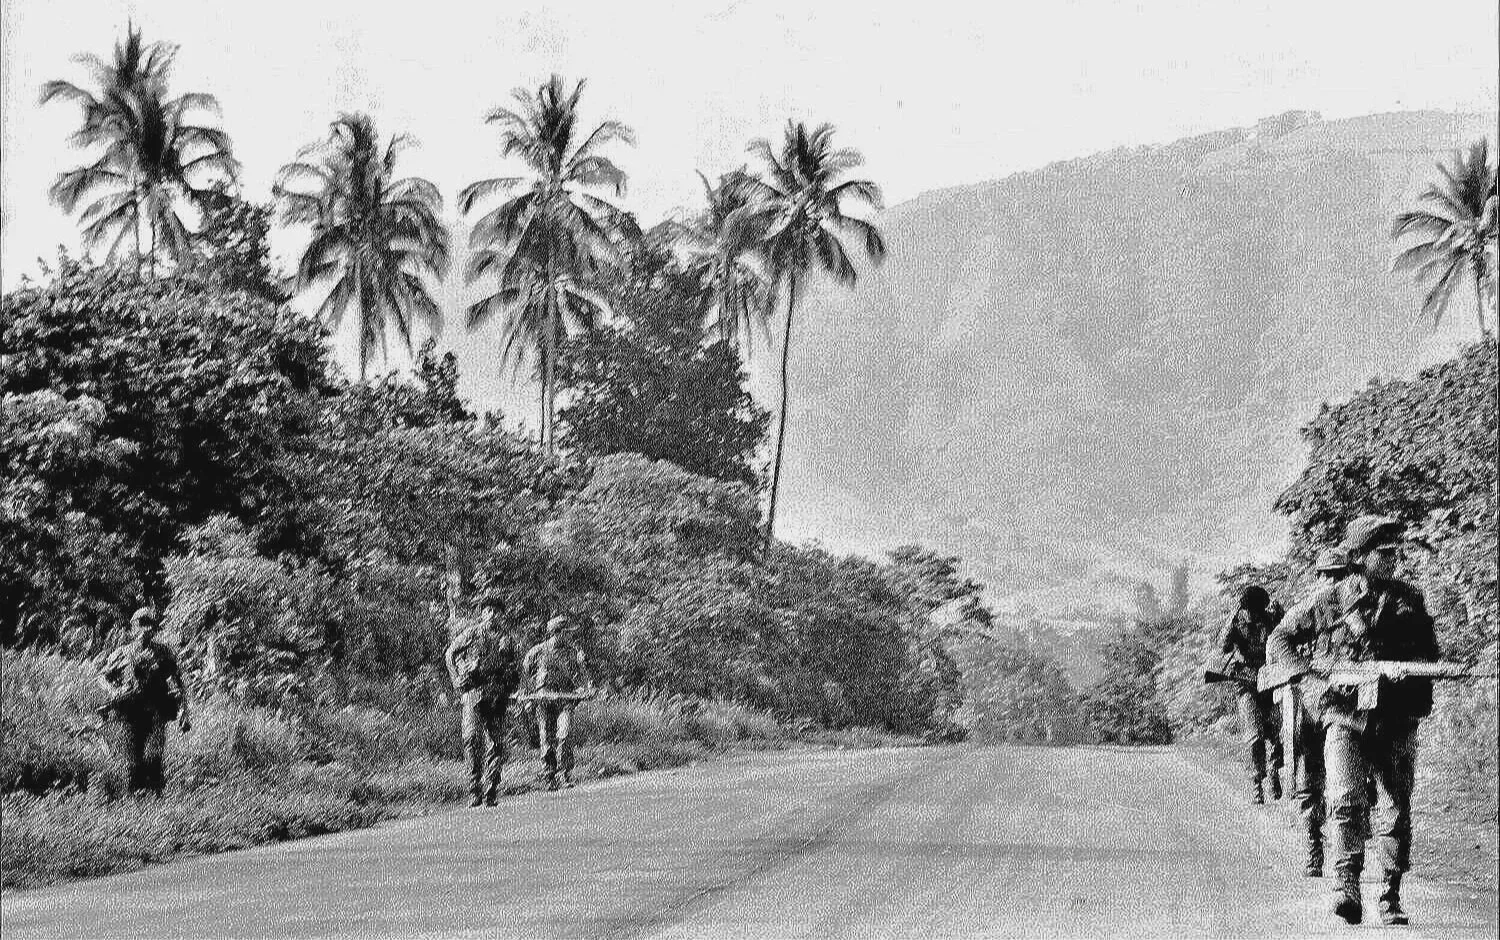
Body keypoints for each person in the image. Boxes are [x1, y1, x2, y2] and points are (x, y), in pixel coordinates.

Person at [1268, 515, 1439, 926]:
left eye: (1395, 552)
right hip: (1344, 715)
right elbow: (1280, 638)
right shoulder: (1329, 600)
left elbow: (1431, 653)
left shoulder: (1410, 599)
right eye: (1384, 553)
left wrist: (1406, 668)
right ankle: (1347, 884)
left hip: (1395, 718)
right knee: (1345, 798)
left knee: (1396, 808)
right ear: (1359, 557)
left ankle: (1391, 894)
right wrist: (1308, 678)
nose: (1393, 558)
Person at [1271, 547, 1351, 878]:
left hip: (1348, 703)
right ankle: (1313, 844)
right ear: (1318, 577)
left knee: (1351, 780)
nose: (1333, 581)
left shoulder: (1361, 604)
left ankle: (1348, 854)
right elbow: (1278, 639)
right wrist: (1303, 671)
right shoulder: (1310, 608)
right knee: (1308, 777)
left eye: (1339, 575)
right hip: (1310, 701)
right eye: (1328, 575)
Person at [96, 607, 191, 797]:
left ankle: (157, 799)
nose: (147, 629)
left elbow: (178, 682)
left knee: (154, 757)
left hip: (156, 710)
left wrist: (184, 712)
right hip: (130, 712)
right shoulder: (123, 653)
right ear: (133, 627)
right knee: (133, 761)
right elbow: (102, 677)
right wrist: (114, 691)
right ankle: (137, 802)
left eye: (150, 625)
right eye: (142, 624)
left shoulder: (163, 652)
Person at [444, 595, 520, 807]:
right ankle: (473, 788)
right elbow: (450, 654)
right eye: (488, 611)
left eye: (496, 611)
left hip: (496, 694)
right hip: (473, 691)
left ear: (501, 615)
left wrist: (513, 686)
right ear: (482, 613)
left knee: (496, 743)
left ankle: (491, 789)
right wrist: (457, 678)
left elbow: (516, 667)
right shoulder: (472, 633)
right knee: (471, 738)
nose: (492, 615)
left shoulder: (507, 639)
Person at [1218, 584, 1284, 804]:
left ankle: (1273, 770)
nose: (1255, 615)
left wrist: (1280, 613)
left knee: (1279, 733)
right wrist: (1231, 620)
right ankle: (1257, 782)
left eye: (1259, 610)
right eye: (1251, 610)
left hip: (1270, 680)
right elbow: (1223, 646)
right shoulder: (1237, 622)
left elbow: (1286, 635)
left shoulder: (1270, 619)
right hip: (1246, 683)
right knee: (1255, 735)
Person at [522, 615, 594, 790]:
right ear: (557, 633)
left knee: (564, 734)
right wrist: (528, 697)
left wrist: (586, 687)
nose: (570, 636)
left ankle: (564, 773)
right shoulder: (537, 651)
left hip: (565, 700)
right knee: (545, 737)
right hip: (544, 701)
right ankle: (549, 775)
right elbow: (525, 675)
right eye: (567, 632)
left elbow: (583, 677)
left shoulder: (573, 652)